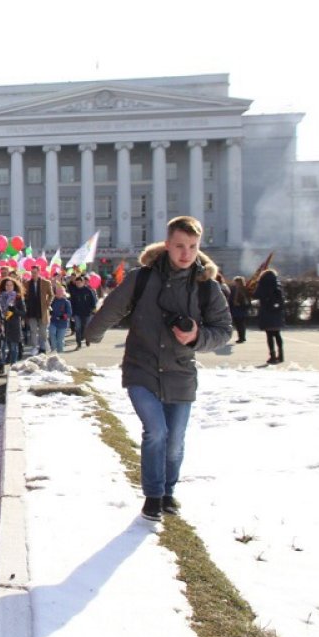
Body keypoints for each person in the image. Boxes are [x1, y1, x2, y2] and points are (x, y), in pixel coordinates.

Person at [85, 216, 232, 521]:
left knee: (175, 441)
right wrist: (92, 332)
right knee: (156, 431)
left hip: (181, 374)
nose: (186, 253)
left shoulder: (207, 288)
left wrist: (196, 337)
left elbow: (223, 330)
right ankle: (153, 496)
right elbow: (113, 306)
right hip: (142, 370)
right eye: (179, 246)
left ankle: (168, 492)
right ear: (167, 245)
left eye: (192, 247)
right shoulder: (142, 278)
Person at [254, 269, 286, 364]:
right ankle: (281, 355)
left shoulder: (263, 283)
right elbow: (282, 297)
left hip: (266, 310)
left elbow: (257, 294)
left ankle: (272, 355)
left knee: (269, 335)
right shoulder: (277, 283)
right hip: (277, 311)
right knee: (277, 334)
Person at [0, 277, 26, 371]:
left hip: (14, 325)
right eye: (7, 285)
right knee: (2, 348)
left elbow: (23, 312)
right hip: (2, 325)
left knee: (13, 348)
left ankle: (13, 367)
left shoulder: (18, 297)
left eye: (11, 285)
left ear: (14, 286)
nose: (8, 287)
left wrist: (15, 310)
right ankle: (1, 365)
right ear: (4, 286)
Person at [25, 274, 54, 355]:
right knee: (33, 330)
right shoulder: (27, 283)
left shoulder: (46, 282)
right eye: (32, 272)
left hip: (42, 310)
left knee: (43, 331)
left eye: (35, 272)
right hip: (31, 310)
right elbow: (24, 294)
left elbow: (51, 294)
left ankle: (45, 343)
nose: (33, 274)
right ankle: (34, 347)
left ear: (38, 272)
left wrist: (48, 303)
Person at [68, 274, 97, 348]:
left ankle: (87, 339)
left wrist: (93, 309)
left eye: (79, 283)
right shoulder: (74, 292)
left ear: (83, 282)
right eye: (77, 283)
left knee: (86, 327)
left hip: (87, 312)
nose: (78, 284)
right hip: (77, 313)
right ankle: (78, 343)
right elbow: (72, 303)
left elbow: (93, 301)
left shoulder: (88, 291)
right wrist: (72, 314)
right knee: (77, 327)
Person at [48, 286, 72, 353]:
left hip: (62, 323)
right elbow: (49, 308)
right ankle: (53, 349)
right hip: (53, 322)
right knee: (51, 333)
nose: (59, 293)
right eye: (58, 291)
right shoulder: (53, 301)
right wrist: (50, 311)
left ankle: (60, 353)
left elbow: (69, 313)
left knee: (60, 340)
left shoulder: (66, 302)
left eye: (61, 291)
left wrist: (62, 317)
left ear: (63, 293)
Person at [229, 275, 250, 343]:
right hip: (235, 308)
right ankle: (241, 337)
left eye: (237, 282)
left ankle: (242, 337)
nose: (236, 283)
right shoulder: (233, 289)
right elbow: (230, 298)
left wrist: (241, 304)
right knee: (238, 324)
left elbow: (247, 300)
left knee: (241, 323)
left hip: (241, 308)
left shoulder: (244, 289)